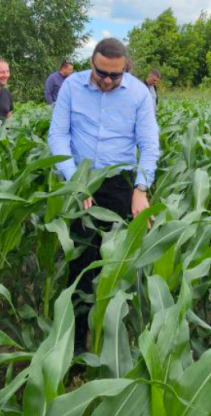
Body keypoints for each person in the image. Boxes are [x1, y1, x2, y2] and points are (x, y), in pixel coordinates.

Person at [47, 38, 159, 351]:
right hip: (81, 180)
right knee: (80, 266)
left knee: (116, 266)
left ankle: (110, 344)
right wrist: (75, 179)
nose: (108, 81)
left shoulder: (138, 93)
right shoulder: (71, 87)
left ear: (125, 68)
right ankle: (75, 348)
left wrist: (141, 188)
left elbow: (149, 143)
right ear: (92, 64)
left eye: (115, 75)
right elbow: (58, 135)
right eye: (102, 74)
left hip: (119, 185)